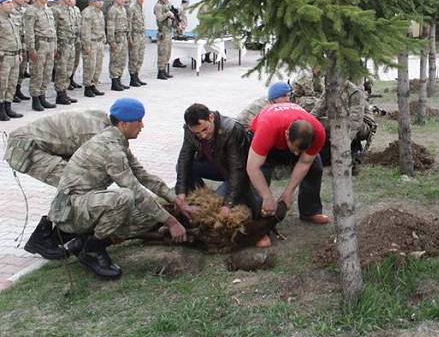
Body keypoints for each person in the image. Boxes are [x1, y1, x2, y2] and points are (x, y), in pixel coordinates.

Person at [48, 98, 192, 279]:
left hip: (85, 205)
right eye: (139, 121)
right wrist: (172, 222)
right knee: (124, 197)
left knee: (150, 215)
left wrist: (176, 201)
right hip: (71, 212)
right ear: (124, 124)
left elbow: (144, 176)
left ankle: (85, 242)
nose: (142, 126)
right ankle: (93, 250)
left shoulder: (117, 141)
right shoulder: (112, 150)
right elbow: (136, 191)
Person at [5, 108, 113, 259]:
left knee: (86, 182)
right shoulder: (95, 136)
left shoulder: (105, 125)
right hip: (28, 149)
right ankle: (42, 239)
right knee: (77, 186)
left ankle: (62, 232)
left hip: (46, 146)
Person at [246, 101, 329, 224]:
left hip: (287, 135)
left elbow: (304, 163)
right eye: (295, 149)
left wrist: (288, 193)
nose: (296, 154)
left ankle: (310, 211)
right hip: (267, 135)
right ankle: (258, 219)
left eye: (301, 151)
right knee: (261, 172)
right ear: (287, 134)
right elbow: (252, 167)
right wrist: (267, 196)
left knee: (315, 166)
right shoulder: (267, 128)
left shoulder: (319, 133)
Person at [175, 103, 254, 217]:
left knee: (216, 204)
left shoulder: (232, 129)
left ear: (211, 117)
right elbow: (184, 158)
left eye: (205, 129)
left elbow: (237, 169)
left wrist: (228, 203)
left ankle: (214, 200)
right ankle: (199, 197)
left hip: (237, 173)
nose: (202, 135)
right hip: (215, 166)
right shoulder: (189, 130)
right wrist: (181, 192)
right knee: (183, 167)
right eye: (197, 133)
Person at [24, 0, 57, 111]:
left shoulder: (48, 10)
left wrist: (54, 45)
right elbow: (29, 31)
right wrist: (31, 49)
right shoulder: (31, 11)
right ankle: (36, 99)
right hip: (40, 45)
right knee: (37, 72)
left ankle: (43, 96)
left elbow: (53, 30)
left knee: (47, 72)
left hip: (49, 44)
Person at [52, 0, 77, 105]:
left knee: (68, 69)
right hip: (62, 44)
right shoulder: (56, 11)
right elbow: (54, 30)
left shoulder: (71, 10)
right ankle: (60, 94)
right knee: (61, 70)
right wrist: (55, 46)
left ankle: (64, 91)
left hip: (71, 44)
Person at [0, 0, 23, 121]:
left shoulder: (12, 18)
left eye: (11, 2)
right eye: (7, 2)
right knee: (2, 84)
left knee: (12, 83)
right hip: (4, 57)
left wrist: (19, 52)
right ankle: (1, 108)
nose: (11, 4)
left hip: (14, 56)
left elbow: (17, 37)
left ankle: (8, 106)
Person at [80, 0, 106, 98]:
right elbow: (85, 30)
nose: (101, 2)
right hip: (91, 42)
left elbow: (102, 28)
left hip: (99, 42)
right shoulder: (87, 12)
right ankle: (87, 87)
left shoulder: (99, 12)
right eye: (98, 0)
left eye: (102, 0)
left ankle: (94, 84)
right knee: (89, 66)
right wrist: (86, 45)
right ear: (92, 1)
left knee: (97, 65)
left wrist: (104, 40)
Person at [106, 0, 131, 91]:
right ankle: (114, 81)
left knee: (122, 60)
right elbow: (110, 27)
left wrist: (128, 37)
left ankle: (119, 79)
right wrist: (111, 41)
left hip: (123, 36)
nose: (123, 0)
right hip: (117, 37)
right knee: (115, 60)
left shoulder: (123, 9)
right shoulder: (113, 10)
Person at [11, 0, 31, 102]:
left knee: (22, 69)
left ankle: (18, 90)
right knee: (15, 70)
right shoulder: (11, 11)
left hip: (24, 44)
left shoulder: (24, 10)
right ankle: (11, 93)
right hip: (15, 45)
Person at [127, 0, 149, 87]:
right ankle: (132, 78)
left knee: (140, 57)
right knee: (134, 57)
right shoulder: (132, 7)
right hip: (135, 35)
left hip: (141, 35)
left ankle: (137, 76)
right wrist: (129, 38)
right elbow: (129, 23)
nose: (142, 0)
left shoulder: (141, 7)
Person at [154, 0, 176, 80]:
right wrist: (167, 14)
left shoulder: (168, 4)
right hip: (163, 32)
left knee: (167, 52)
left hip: (169, 31)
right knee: (162, 52)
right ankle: (160, 71)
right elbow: (159, 18)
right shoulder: (158, 6)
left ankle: (164, 70)